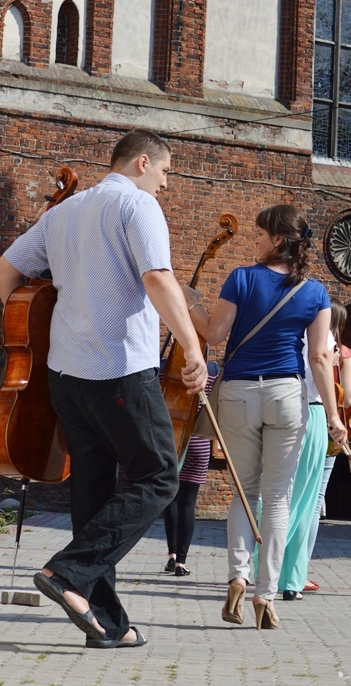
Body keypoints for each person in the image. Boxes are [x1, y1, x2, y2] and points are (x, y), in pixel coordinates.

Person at [0, 129, 207, 648]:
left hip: (67, 376)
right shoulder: (137, 206)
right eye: (164, 173)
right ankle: (69, 571)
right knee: (160, 476)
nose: (165, 184)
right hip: (119, 369)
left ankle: (105, 623)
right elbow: (158, 279)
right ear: (142, 163)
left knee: (92, 491)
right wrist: (194, 348)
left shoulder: (62, 214)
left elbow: (6, 267)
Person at [184, 204, 347, 629]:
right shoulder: (315, 293)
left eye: (259, 235)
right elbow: (318, 357)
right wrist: (333, 415)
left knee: (245, 491)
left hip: (239, 390)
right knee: (278, 498)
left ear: (277, 239)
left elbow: (214, 334)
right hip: (286, 394)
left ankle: (237, 575)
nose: (254, 242)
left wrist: (191, 304)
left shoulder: (241, 278)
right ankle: (265, 593)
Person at [293, 297, 351, 597]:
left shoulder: (299, 336)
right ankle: (298, 569)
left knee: (287, 493)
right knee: (313, 499)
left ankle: (276, 565)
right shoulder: (341, 353)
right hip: (326, 425)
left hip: (295, 413)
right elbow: (348, 399)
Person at [162, 360, 220, 576]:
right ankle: (181, 562)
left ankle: (172, 555)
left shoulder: (165, 366)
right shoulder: (212, 370)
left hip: (171, 438)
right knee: (188, 501)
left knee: (171, 499)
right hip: (198, 439)